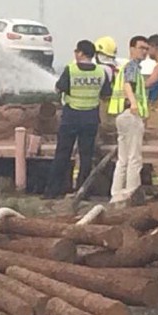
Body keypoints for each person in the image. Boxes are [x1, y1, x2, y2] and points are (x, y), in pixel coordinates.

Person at [43, 40, 111, 199]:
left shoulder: (71, 69)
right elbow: (106, 93)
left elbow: (60, 87)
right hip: (91, 118)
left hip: (71, 117)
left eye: (76, 51)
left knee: (62, 154)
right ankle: (83, 191)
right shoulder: (101, 72)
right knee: (86, 156)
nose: (75, 53)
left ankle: (53, 191)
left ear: (81, 53)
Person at [108, 35, 149, 204]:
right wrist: (133, 103)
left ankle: (116, 196)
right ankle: (131, 194)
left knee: (123, 159)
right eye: (141, 48)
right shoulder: (132, 66)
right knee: (134, 158)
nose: (144, 52)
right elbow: (127, 84)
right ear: (131, 49)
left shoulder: (125, 66)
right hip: (130, 114)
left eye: (146, 49)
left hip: (121, 115)